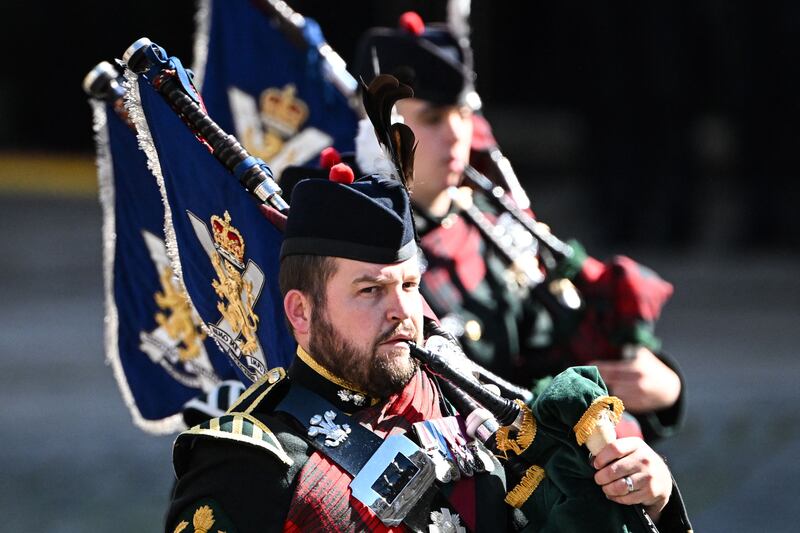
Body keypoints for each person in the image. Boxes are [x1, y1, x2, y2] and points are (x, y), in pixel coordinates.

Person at [164, 152, 690, 531]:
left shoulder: (470, 404)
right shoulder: (256, 464)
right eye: (369, 290)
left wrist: (654, 497)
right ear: (301, 312)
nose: (402, 310)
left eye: (410, 286)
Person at [351, 13, 685, 443]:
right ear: (382, 127)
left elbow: (559, 344)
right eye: (433, 117)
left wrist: (661, 385)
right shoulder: (360, 241)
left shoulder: (488, 225)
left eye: (463, 114)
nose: (457, 135)